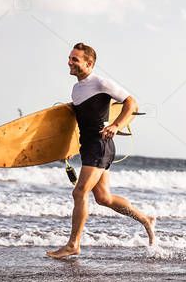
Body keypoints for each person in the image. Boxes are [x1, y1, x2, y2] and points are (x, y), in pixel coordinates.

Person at [47, 43, 155, 258]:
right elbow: (80, 123)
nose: (69, 62)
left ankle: (73, 244)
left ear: (89, 63)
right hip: (88, 145)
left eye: (75, 59)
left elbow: (131, 102)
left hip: (100, 144)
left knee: (79, 192)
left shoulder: (100, 82)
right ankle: (145, 218)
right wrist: (69, 148)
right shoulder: (77, 89)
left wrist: (116, 126)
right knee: (104, 198)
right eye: (69, 58)